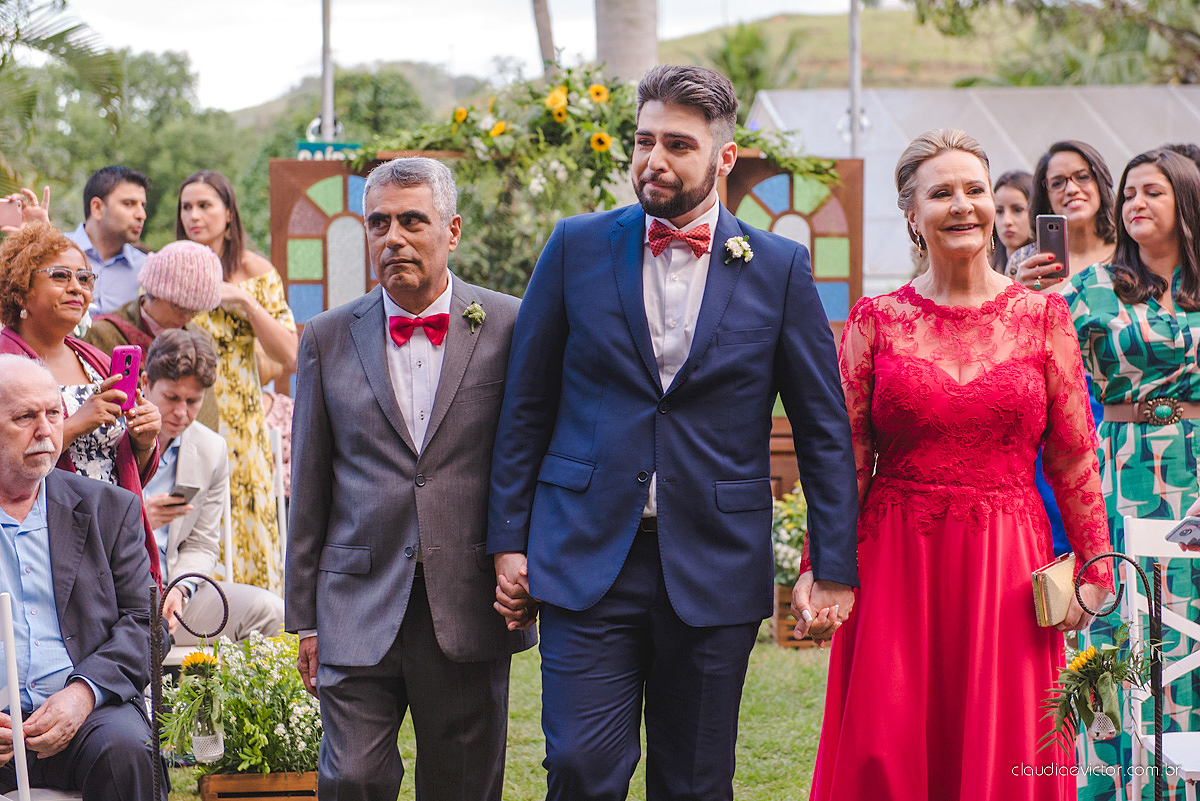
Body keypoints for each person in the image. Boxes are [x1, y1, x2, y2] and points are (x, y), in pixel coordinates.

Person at [486, 65, 859, 801]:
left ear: (724, 158)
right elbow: (524, 403)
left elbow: (822, 427)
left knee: (694, 780)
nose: (653, 161)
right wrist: (508, 539)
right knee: (580, 767)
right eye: (644, 140)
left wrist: (835, 563)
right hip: (586, 554)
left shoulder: (779, 267)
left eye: (677, 145)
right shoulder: (575, 246)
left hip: (714, 561)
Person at [807, 129, 1113, 800]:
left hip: (1007, 561)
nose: (964, 205)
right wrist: (821, 565)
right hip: (895, 562)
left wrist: (1095, 564)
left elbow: (1072, 456)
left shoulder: (1043, 318)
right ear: (911, 213)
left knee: (1004, 749)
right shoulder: (875, 321)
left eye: (975, 189)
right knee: (888, 741)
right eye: (941, 192)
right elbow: (846, 457)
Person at [286, 157, 536, 801]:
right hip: (355, 599)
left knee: (460, 784)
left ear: (451, 231)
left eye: (411, 221)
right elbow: (309, 486)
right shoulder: (326, 337)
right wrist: (304, 617)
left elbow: (533, 458)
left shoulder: (511, 325)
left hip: (468, 599)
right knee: (353, 779)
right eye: (378, 223)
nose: (392, 237)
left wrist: (529, 560)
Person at [1061, 148, 1200, 801]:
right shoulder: (1094, 285)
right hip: (1126, 470)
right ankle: (1123, 783)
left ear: (1187, 202)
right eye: (1131, 193)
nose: (1136, 202)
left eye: (1154, 191)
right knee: (1126, 622)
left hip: (1196, 469)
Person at [0, 355, 165, 800]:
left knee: (130, 749)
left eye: (54, 413)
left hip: (85, 713)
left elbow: (147, 623)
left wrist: (83, 694)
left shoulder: (107, 509)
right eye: (24, 417)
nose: (45, 430)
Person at [0, 222, 164, 585]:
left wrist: (143, 440)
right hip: (44, 538)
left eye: (85, 278)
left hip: (115, 533)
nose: (77, 287)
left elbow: (123, 465)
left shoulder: (97, 360)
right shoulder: (5, 364)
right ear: (21, 291)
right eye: (60, 276)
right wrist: (74, 424)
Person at [178, 170, 297, 594]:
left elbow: (291, 355)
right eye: (187, 206)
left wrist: (243, 299)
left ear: (229, 214)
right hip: (186, 420)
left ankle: (256, 646)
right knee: (195, 533)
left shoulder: (254, 270)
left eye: (205, 205)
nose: (194, 215)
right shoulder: (176, 270)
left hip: (244, 425)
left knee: (249, 528)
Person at [141, 329, 285, 646]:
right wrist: (139, 520)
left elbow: (203, 545)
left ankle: (233, 696)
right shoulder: (110, 439)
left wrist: (180, 589)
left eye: (193, 401)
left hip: (174, 592)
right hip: (116, 597)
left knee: (271, 611)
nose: (181, 412)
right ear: (145, 384)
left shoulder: (211, 448)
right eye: (172, 398)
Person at [83, 239, 223, 432]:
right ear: (153, 291)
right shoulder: (103, 334)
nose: (187, 317)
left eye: (196, 311)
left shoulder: (200, 341)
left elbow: (207, 418)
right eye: (178, 307)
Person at [1010, 140, 1117, 292]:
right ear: (1046, 197)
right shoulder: (1024, 261)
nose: (1071, 189)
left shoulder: (1127, 251)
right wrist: (1019, 294)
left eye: (1082, 176)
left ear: (1100, 183)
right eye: (1057, 183)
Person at [64, 165, 151, 314]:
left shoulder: (146, 269)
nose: (141, 215)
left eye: (142, 206)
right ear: (97, 208)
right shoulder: (54, 250)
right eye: (129, 204)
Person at [990, 170, 1033, 273]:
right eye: (999, 211)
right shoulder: (986, 266)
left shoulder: (1048, 269)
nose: (1007, 221)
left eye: (1017, 210)